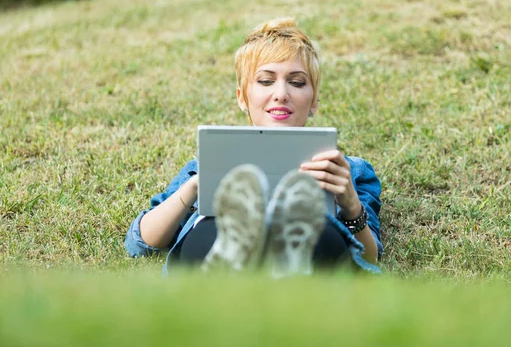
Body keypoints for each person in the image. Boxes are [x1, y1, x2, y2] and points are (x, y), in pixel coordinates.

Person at [124, 18, 383, 275]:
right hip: (215, 241)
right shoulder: (204, 166)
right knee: (213, 230)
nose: (281, 94)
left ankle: (282, 248)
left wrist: (350, 204)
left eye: (297, 82)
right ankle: (247, 249)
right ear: (242, 98)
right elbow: (140, 242)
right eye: (266, 81)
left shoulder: (347, 170)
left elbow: (369, 259)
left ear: (314, 101)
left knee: (323, 234)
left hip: (313, 248)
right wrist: (195, 187)